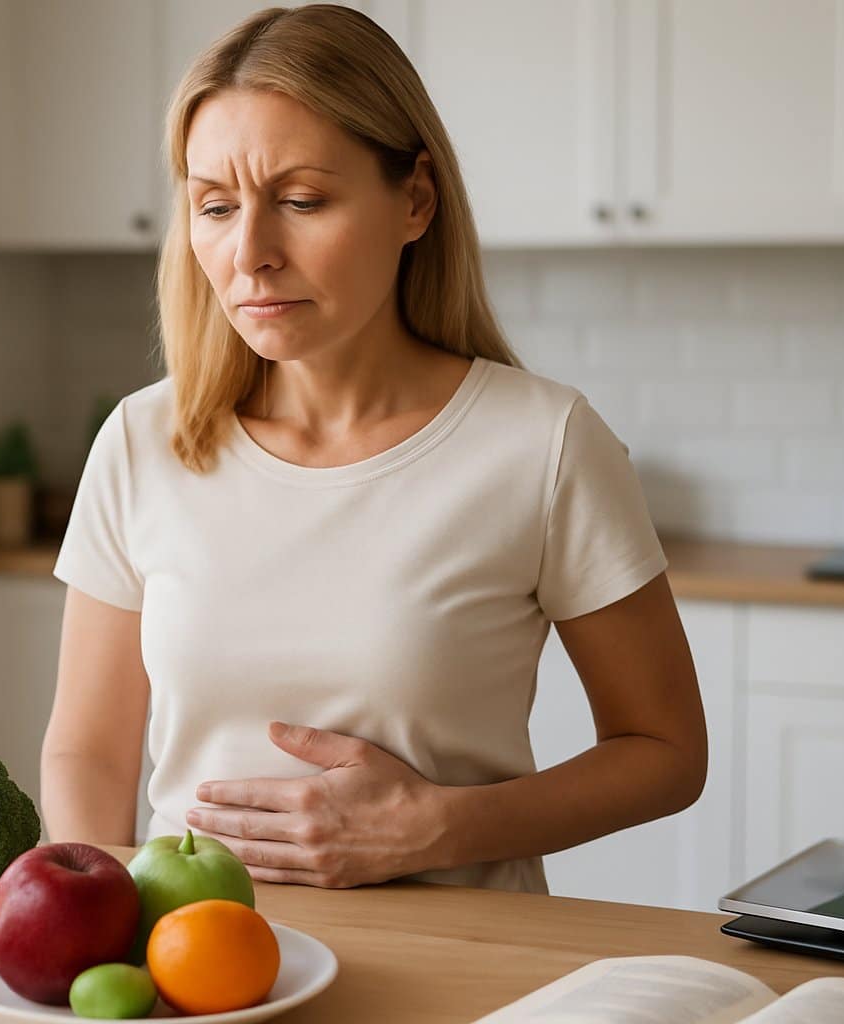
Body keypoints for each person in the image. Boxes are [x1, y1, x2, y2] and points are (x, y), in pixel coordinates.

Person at [39, 4, 706, 893]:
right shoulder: (141, 441)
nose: (252, 254)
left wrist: (438, 827)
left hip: (462, 969)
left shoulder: (544, 445)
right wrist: (100, 929)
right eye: (216, 207)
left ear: (416, 200)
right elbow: (86, 749)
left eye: (303, 200)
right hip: (198, 975)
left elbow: (665, 752)